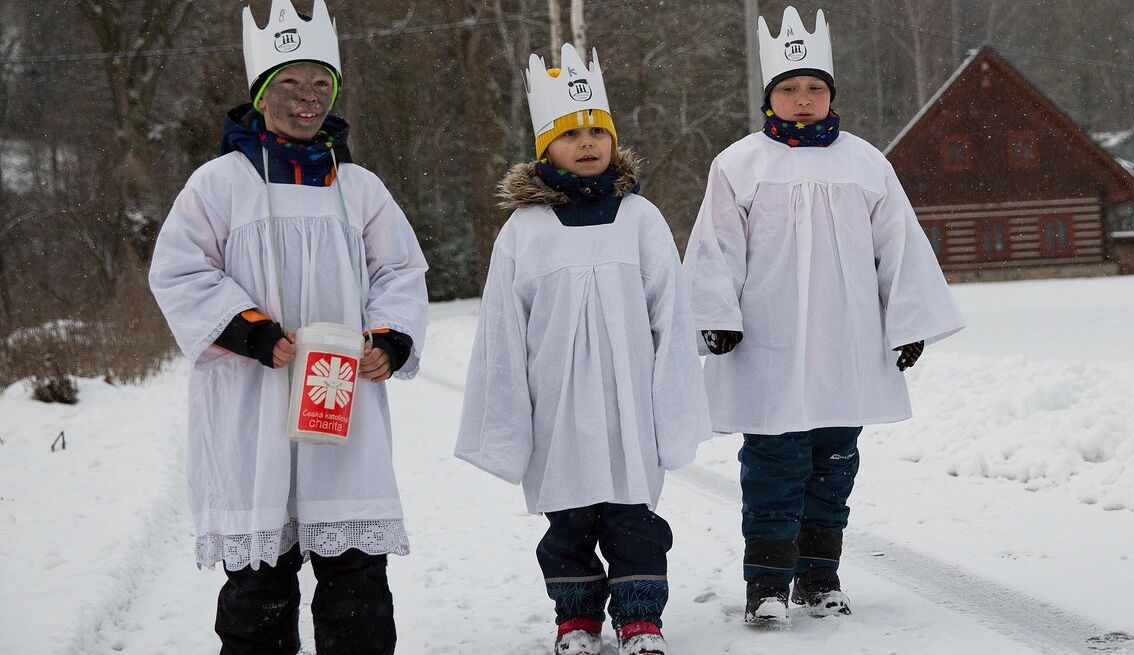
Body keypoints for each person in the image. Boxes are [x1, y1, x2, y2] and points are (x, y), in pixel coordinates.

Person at [147, 1, 428, 652]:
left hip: (342, 410)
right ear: (261, 92)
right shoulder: (219, 184)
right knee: (258, 596)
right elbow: (179, 270)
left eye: (321, 86)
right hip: (254, 411)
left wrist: (389, 337)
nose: (309, 100)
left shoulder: (357, 188)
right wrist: (249, 329)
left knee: (356, 588)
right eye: (291, 85)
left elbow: (402, 270)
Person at [682, 5, 966, 626]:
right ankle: (766, 586)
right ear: (770, 97)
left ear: (830, 94)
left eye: (814, 88)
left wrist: (909, 321)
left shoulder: (866, 162)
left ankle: (818, 577)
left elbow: (898, 243)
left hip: (845, 338)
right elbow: (716, 245)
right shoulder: (738, 164)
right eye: (790, 89)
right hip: (770, 341)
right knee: (774, 465)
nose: (803, 99)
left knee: (833, 463)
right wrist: (716, 313)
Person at [454, 43, 711, 655]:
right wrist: (509, 420)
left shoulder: (641, 219)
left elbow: (670, 317)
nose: (589, 143)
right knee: (568, 521)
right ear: (546, 147)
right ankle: (575, 619)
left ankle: (641, 619)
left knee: (633, 519)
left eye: (599, 130)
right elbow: (502, 331)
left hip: (628, 402)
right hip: (558, 404)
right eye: (573, 134)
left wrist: (670, 404)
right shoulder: (523, 232)